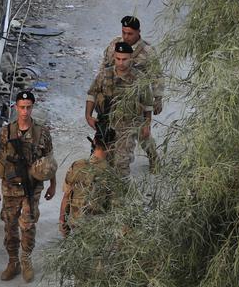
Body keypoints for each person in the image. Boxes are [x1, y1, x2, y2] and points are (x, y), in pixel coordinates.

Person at [0, 90, 56, 282]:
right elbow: (0, 159)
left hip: (32, 186)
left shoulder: (41, 132)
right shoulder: (7, 131)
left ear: (32, 108)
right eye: (22, 107)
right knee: (10, 225)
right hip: (10, 186)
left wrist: (52, 184)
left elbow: (49, 161)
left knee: (27, 224)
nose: (25, 112)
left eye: (28, 108)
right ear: (16, 107)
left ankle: (26, 259)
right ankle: (13, 261)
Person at [101, 15, 163, 170]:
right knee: (112, 131)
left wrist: (157, 98)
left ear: (138, 32)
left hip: (138, 100)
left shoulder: (148, 51)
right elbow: (105, 66)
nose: (126, 37)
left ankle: (153, 157)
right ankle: (112, 162)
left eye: (130, 34)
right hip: (115, 98)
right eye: (124, 33)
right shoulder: (115, 44)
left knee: (143, 133)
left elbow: (156, 76)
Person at [86, 41, 154, 177]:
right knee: (100, 160)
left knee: (121, 162)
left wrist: (147, 124)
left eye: (124, 59)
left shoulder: (139, 78)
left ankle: (121, 191)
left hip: (129, 125)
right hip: (107, 123)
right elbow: (92, 94)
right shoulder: (104, 75)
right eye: (118, 59)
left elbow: (147, 104)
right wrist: (88, 116)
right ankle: (106, 190)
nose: (121, 62)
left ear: (131, 59)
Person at [59, 133, 112, 236]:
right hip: (97, 227)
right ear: (111, 146)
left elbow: (66, 195)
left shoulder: (77, 166)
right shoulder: (110, 174)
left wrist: (62, 220)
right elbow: (114, 206)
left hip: (76, 222)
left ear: (94, 142)